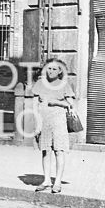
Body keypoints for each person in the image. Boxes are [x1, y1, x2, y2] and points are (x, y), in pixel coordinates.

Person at [30, 57, 76, 193]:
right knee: (45, 150)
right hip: (44, 121)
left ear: (60, 71)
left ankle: (57, 182)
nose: (51, 71)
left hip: (58, 121)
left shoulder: (64, 85)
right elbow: (34, 105)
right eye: (49, 68)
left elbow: (70, 105)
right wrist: (37, 123)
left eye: (54, 69)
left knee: (59, 150)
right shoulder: (39, 83)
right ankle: (46, 180)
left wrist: (55, 102)